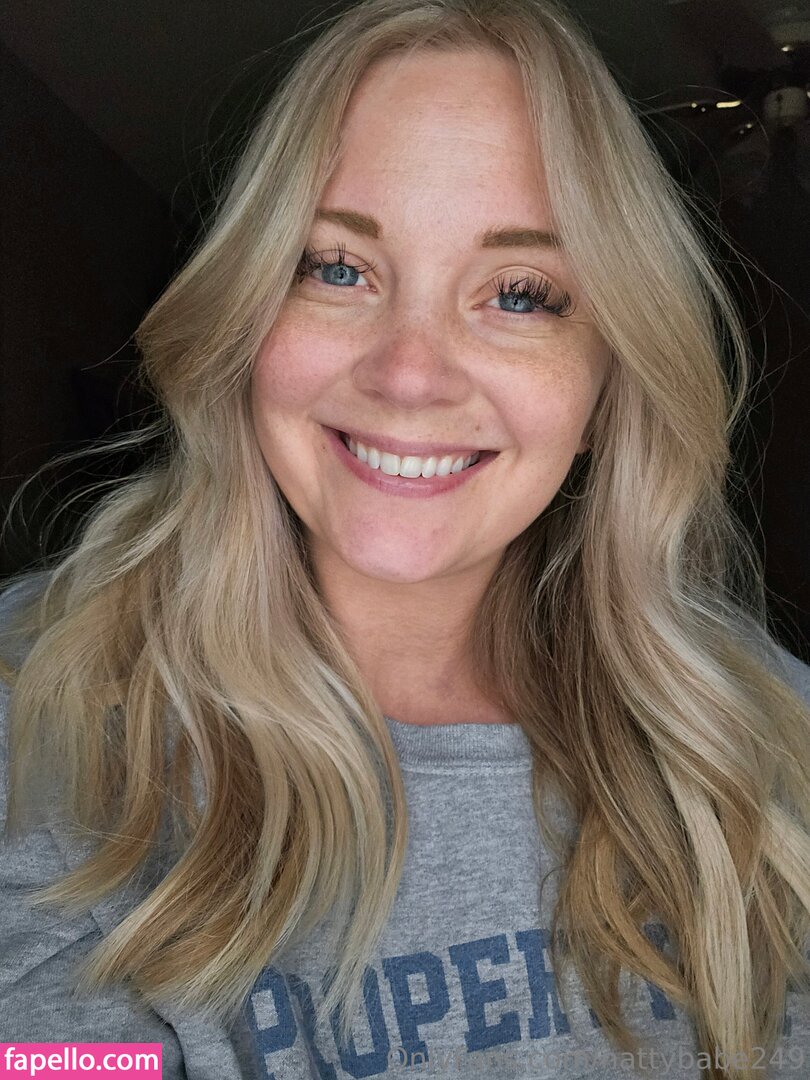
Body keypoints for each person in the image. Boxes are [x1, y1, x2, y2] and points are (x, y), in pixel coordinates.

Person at [1, 0, 810, 1077]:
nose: (409, 375)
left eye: (519, 294)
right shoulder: (41, 715)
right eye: (337, 268)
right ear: (246, 315)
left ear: (609, 381)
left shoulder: (756, 724)